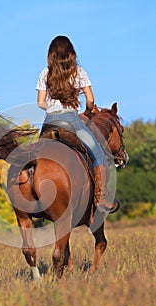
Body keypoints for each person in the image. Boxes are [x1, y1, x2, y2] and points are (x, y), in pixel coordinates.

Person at [35, 35, 118, 213]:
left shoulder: (45, 72)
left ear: (51, 54)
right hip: (71, 120)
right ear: (71, 53)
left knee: (34, 156)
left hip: (49, 122)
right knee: (98, 154)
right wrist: (87, 112)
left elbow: (40, 102)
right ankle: (101, 198)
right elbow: (90, 99)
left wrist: (51, 107)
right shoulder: (79, 72)